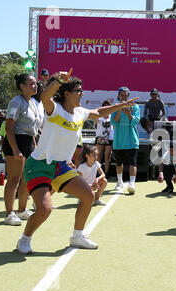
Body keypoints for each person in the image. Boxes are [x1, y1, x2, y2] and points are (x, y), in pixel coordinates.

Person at [17, 68, 138, 254]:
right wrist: (58, 80)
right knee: (45, 209)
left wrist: (120, 106)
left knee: (88, 195)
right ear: (66, 93)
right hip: (39, 166)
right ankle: (25, 238)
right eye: (78, 91)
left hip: (61, 167)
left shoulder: (80, 112)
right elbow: (45, 97)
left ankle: (77, 236)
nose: (82, 93)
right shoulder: (54, 109)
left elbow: (99, 112)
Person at [2, 74, 42, 226]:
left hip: (28, 142)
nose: (35, 86)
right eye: (31, 84)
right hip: (15, 141)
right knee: (14, 179)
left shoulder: (32, 102)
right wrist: (15, 149)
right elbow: (9, 128)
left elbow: (31, 129)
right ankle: (9, 214)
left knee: (27, 178)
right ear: (22, 86)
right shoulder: (16, 102)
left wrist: (34, 146)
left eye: (35, 83)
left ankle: (22, 210)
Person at [111, 87, 140, 194]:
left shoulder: (135, 106)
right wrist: (119, 108)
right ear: (119, 96)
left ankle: (132, 183)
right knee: (119, 163)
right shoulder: (115, 107)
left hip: (132, 139)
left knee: (133, 162)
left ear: (128, 96)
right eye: (122, 95)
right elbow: (114, 123)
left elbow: (136, 121)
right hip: (119, 140)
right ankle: (119, 182)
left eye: (126, 95)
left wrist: (129, 114)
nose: (124, 97)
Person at [95, 100, 114, 176]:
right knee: (98, 156)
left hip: (109, 138)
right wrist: (99, 113)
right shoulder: (99, 116)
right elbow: (95, 122)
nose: (106, 108)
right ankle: (98, 173)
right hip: (100, 138)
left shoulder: (112, 116)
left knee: (107, 156)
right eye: (104, 106)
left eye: (108, 106)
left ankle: (106, 173)